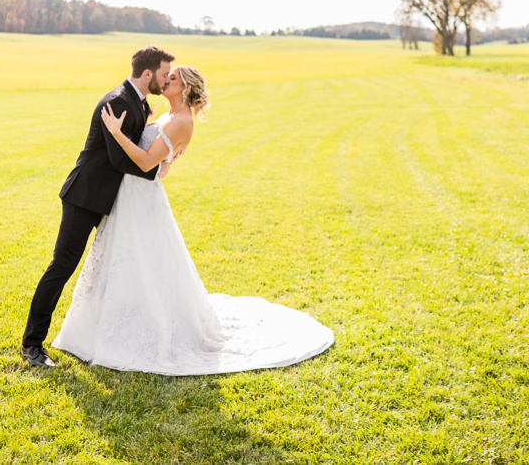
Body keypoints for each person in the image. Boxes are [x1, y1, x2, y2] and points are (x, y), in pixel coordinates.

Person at [51, 65, 333, 375]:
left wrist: (117, 134)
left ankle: (146, 326)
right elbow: (159, 159)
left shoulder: (183, 122)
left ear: (185, 88)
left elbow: (146, 161)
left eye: (172, 78)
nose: (165, 80)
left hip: (142, 198)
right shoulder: (166, 117)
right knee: (125, 259)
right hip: (128, 195)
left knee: (145, 259)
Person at [21, 46, 175, 367]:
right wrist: (153, 168)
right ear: (148, 74)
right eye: (163, 74)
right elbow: (119, 158)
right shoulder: (117, 102)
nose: (166, 80)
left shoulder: (138, 102)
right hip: (84, 197)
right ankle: (32, 344)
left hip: (107, 201)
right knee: (62, 266)